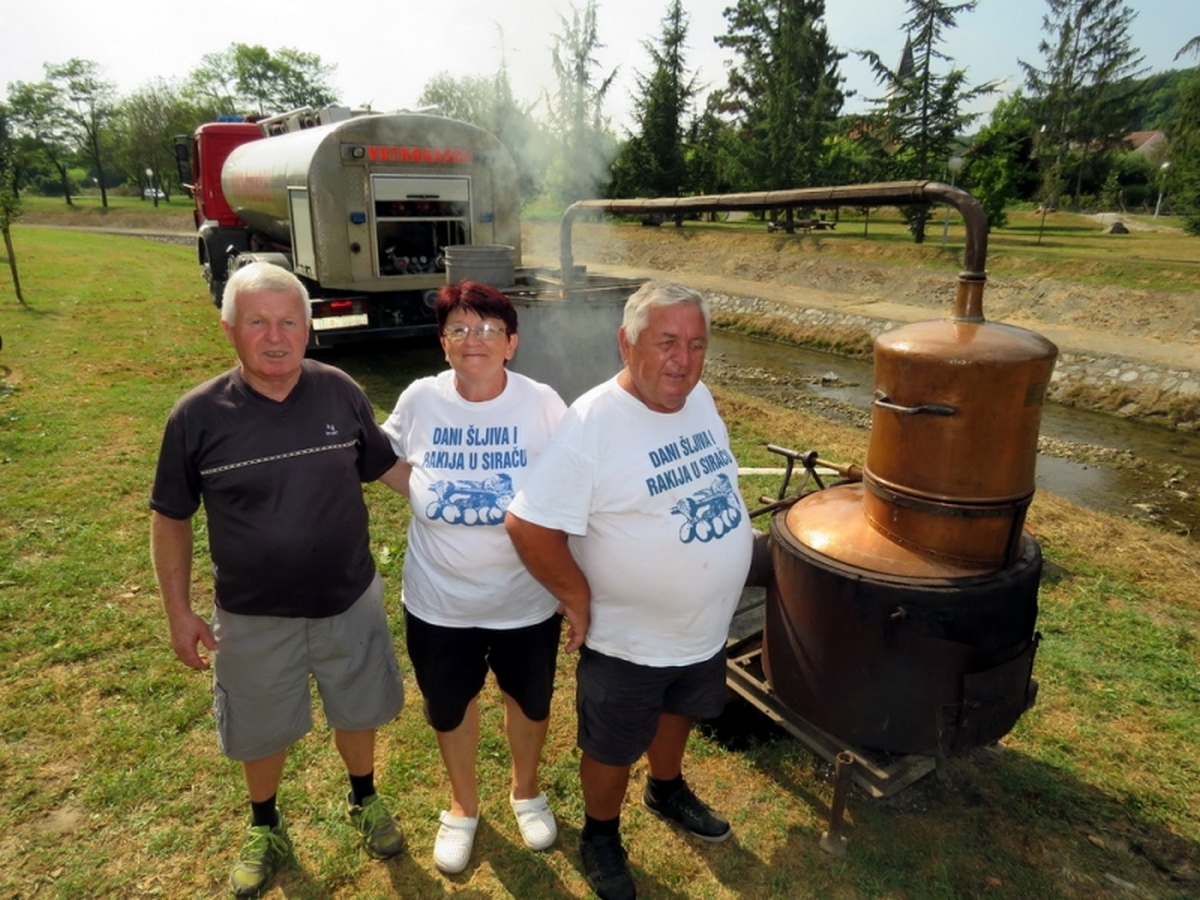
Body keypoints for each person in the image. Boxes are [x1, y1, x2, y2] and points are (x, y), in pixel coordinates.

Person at [149, 263, 409, 898]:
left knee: (358, 706)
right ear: (229, 328)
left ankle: (364, 799)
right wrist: (178, 612)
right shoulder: (196, 417)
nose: (275, 336)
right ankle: (265, 824)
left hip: (348, 598)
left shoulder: (339, 390)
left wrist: (480, 515)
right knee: (260, 727)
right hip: (252, 614)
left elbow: (389, 471)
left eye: (289, 320)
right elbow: (171, 518)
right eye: (257, 322)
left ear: (310, 324)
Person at [505, 280, 755, 900]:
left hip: (701, 625)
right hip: (628, 639)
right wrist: (578, 596)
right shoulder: (594, 422)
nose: (683, 359)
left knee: (681, 708)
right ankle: (600, 833)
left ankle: (665, 787)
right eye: (666, 342)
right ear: (626, 342)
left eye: (696, 344)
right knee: (613, 742)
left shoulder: (700, 401)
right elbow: (528, 524)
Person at [380, 281, 568, 874]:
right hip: (440, 602)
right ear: (442, 344)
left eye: (488, 329)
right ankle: (463, 804)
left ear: (511, 343)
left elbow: (576, 480)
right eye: (458, 328)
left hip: (526, 600)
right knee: (449, 705)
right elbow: (383, 455)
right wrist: (420, 490)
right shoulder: (419, 400)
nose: (473, 340)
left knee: (530, 702)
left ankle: (526, 790)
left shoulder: (542, 403)